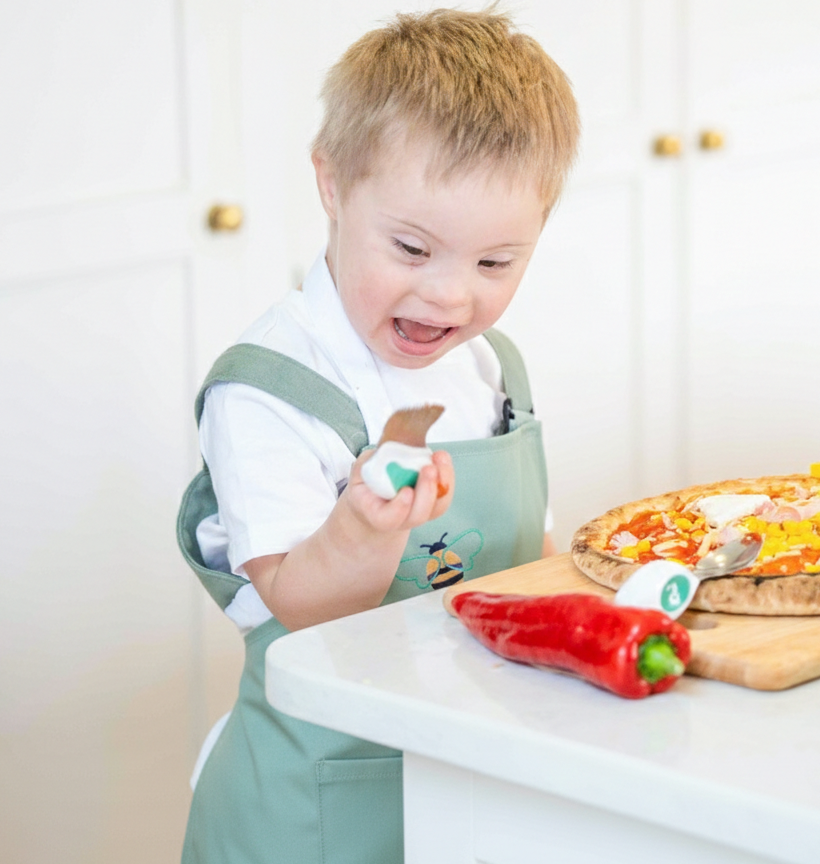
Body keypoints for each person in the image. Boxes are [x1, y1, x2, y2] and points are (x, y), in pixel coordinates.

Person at [177, 7, 580, 863]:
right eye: (410, 247)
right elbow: (299, 604)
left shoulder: (490, 369)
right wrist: (363, 522)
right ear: (332, 184)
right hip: (322, 799)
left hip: (470, 771)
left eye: (495, 263)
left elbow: (530, 558)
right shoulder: (267, 389)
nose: (449, 298)